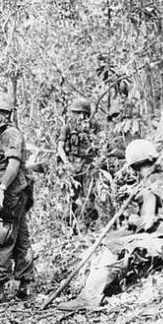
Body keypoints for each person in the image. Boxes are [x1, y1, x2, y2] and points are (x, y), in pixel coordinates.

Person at [57, 139, 163, 311]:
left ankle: (89, 298)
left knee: (112, 245)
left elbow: (147, 223)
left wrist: (132, 219)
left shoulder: (150, 184)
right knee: (116, 236)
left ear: (134, 166)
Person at [0, 94, 35, 305]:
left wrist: (1, 189)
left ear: (5, 114)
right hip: (13, 194)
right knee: (20, 239)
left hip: (8, 195)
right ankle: (25, 285)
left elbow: (12, 164)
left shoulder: (10, 134)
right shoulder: (1, 135)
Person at [56, 97, 101, 230]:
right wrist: (66, 163)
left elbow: (100, 145)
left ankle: (87, 226)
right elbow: (60, 147)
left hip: (88, 166)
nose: (81, 116)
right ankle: (69, 228)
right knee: (70, 198)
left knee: (89, 197)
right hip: (72, 165)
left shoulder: (93, 127)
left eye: (83, 113)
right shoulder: (67, 128)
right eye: (77, 113)